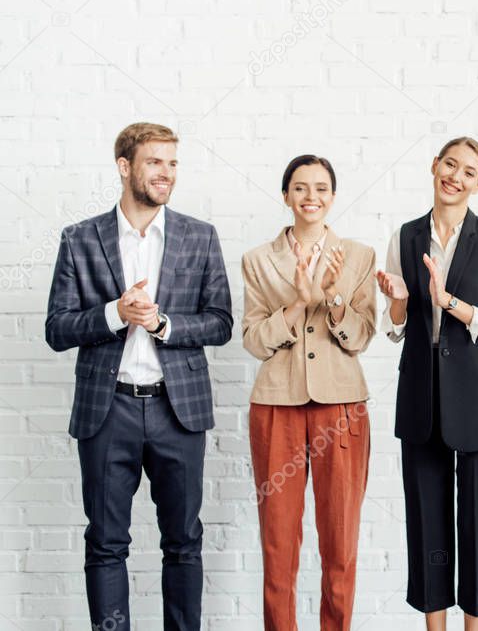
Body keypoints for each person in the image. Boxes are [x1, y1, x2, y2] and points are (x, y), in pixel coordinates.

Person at [44, 122, 233, 630]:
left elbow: (221, 323)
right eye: (155, 162)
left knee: (184, 541)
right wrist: (115, 314)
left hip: (180, 410)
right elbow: (57, 329)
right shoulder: (81, 239)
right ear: (125, 167)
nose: (166, 173)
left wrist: (163, 323)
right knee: (106, 543)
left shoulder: (200, 236)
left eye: (172, 162)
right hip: (109, 413)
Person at [376, 137, 478, 631]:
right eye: (449, 164)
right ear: (433, 166)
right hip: (422, 394)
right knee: (428, 522)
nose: (455, 176)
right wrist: (399, 300)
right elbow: (395, 328)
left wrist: (449, 301)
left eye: (469, 171)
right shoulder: (405, 237)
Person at [241, 154, 377, 631]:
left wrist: (332, 295)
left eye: (321, 188)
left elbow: (360, 335)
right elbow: (255, 340)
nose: (311, 197)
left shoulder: (358, 257)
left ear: (333, 197)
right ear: (286, 196)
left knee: (340, 543)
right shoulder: (258, 260)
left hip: (341, 406)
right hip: (276, 405)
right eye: (300, 188)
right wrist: (299, 301)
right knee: (278, 544)